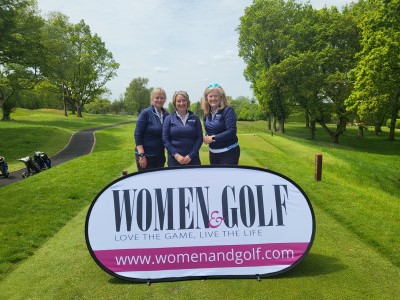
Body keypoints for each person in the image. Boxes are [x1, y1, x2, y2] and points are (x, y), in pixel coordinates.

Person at [201, 84, 240, 165]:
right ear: (206, 98)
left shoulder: (228, 111)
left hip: (228, 153)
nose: (213, 98)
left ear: (221, 97)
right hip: (213, 153)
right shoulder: (206, 114)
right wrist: (205, 137)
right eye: (210, 96)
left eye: (216, 96)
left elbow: (231, 131)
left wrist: (212, 138)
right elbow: (208, 132)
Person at [162, 91, 203, 167]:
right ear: (175, 103)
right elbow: (165, 139)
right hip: (174, 160)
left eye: (184, 100)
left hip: (193, 159)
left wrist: (190, 155)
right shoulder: (169, 118)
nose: (181, 103)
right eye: (178, 101)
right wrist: (176, 155)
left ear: (187, 102)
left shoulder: (195, 118)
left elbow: (199, 138)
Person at [134, 87, 169, 171]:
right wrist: (142, 155)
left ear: (164, 100)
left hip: (160, 156)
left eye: (162, 98)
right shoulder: (145, 113)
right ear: (152, 99)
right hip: (146, 156)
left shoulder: (167, 115)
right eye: (157, 97)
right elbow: (137, 134)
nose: (159, 100)